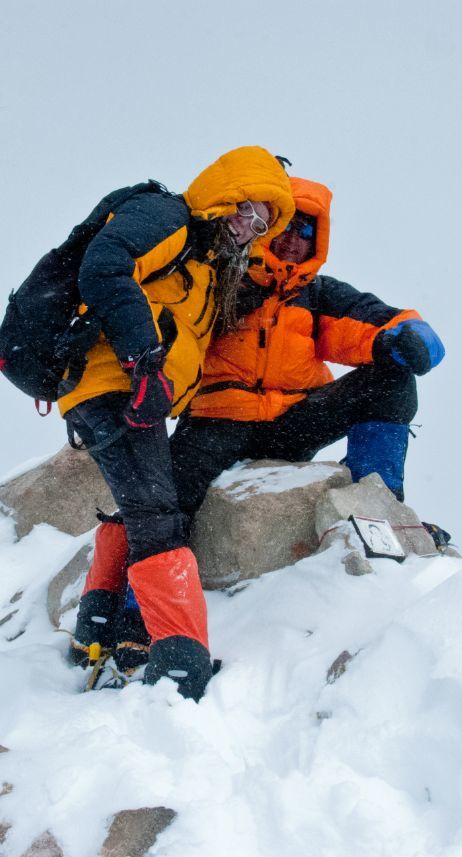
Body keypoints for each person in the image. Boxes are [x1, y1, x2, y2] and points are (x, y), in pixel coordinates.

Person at [62, 146, 294, 700]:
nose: (249, 228)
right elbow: (106, 267)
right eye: (246, 210)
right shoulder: (171, 220)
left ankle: (96, 629)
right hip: (113, 386)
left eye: (262, 223)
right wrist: (144, 361)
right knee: (159, 518)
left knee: (145, 509)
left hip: (132, 394)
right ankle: (179, 665)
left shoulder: (208, 269)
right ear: (222, 196)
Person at [169, 175, 445, 532]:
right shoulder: (220, 278)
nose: (292, 240)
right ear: (265, 225)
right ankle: (144, 583)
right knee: (165, 499)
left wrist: (415, 339)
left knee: (392, 378)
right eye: (285, 225)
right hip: (217, 419)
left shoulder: (318, 295)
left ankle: (378, 509)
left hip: (293, 422)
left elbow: (384, 322)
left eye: (306, 232)